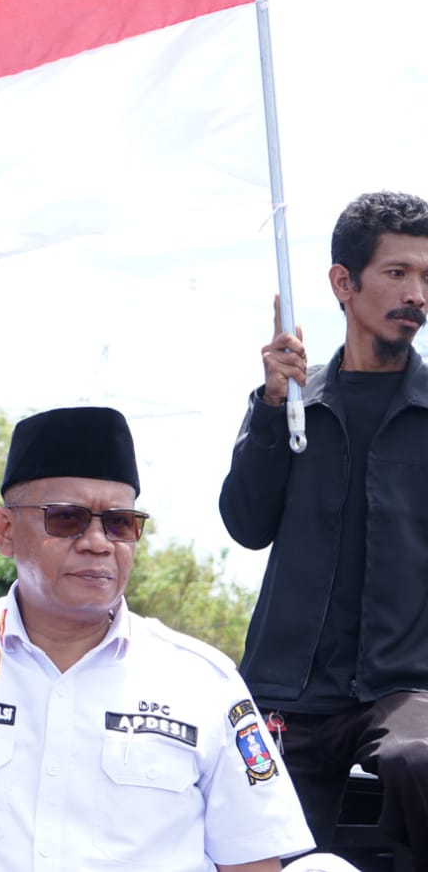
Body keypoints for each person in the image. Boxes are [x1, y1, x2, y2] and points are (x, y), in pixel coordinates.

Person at [0, 406, 313, 871]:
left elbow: (252, 861)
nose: (98, 542)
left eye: (119, 523)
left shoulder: (203, 685)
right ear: (4, 531)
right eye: (67, 519)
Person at [219, 189, 428, 862]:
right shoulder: (292, 403)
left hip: (405, 688)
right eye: (397, 272)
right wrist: (271, 404)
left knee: (420, 757)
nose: (417, 294)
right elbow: (246, 523)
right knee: (244, 818)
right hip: (287, 688)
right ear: (344, 282)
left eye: (426, 277)